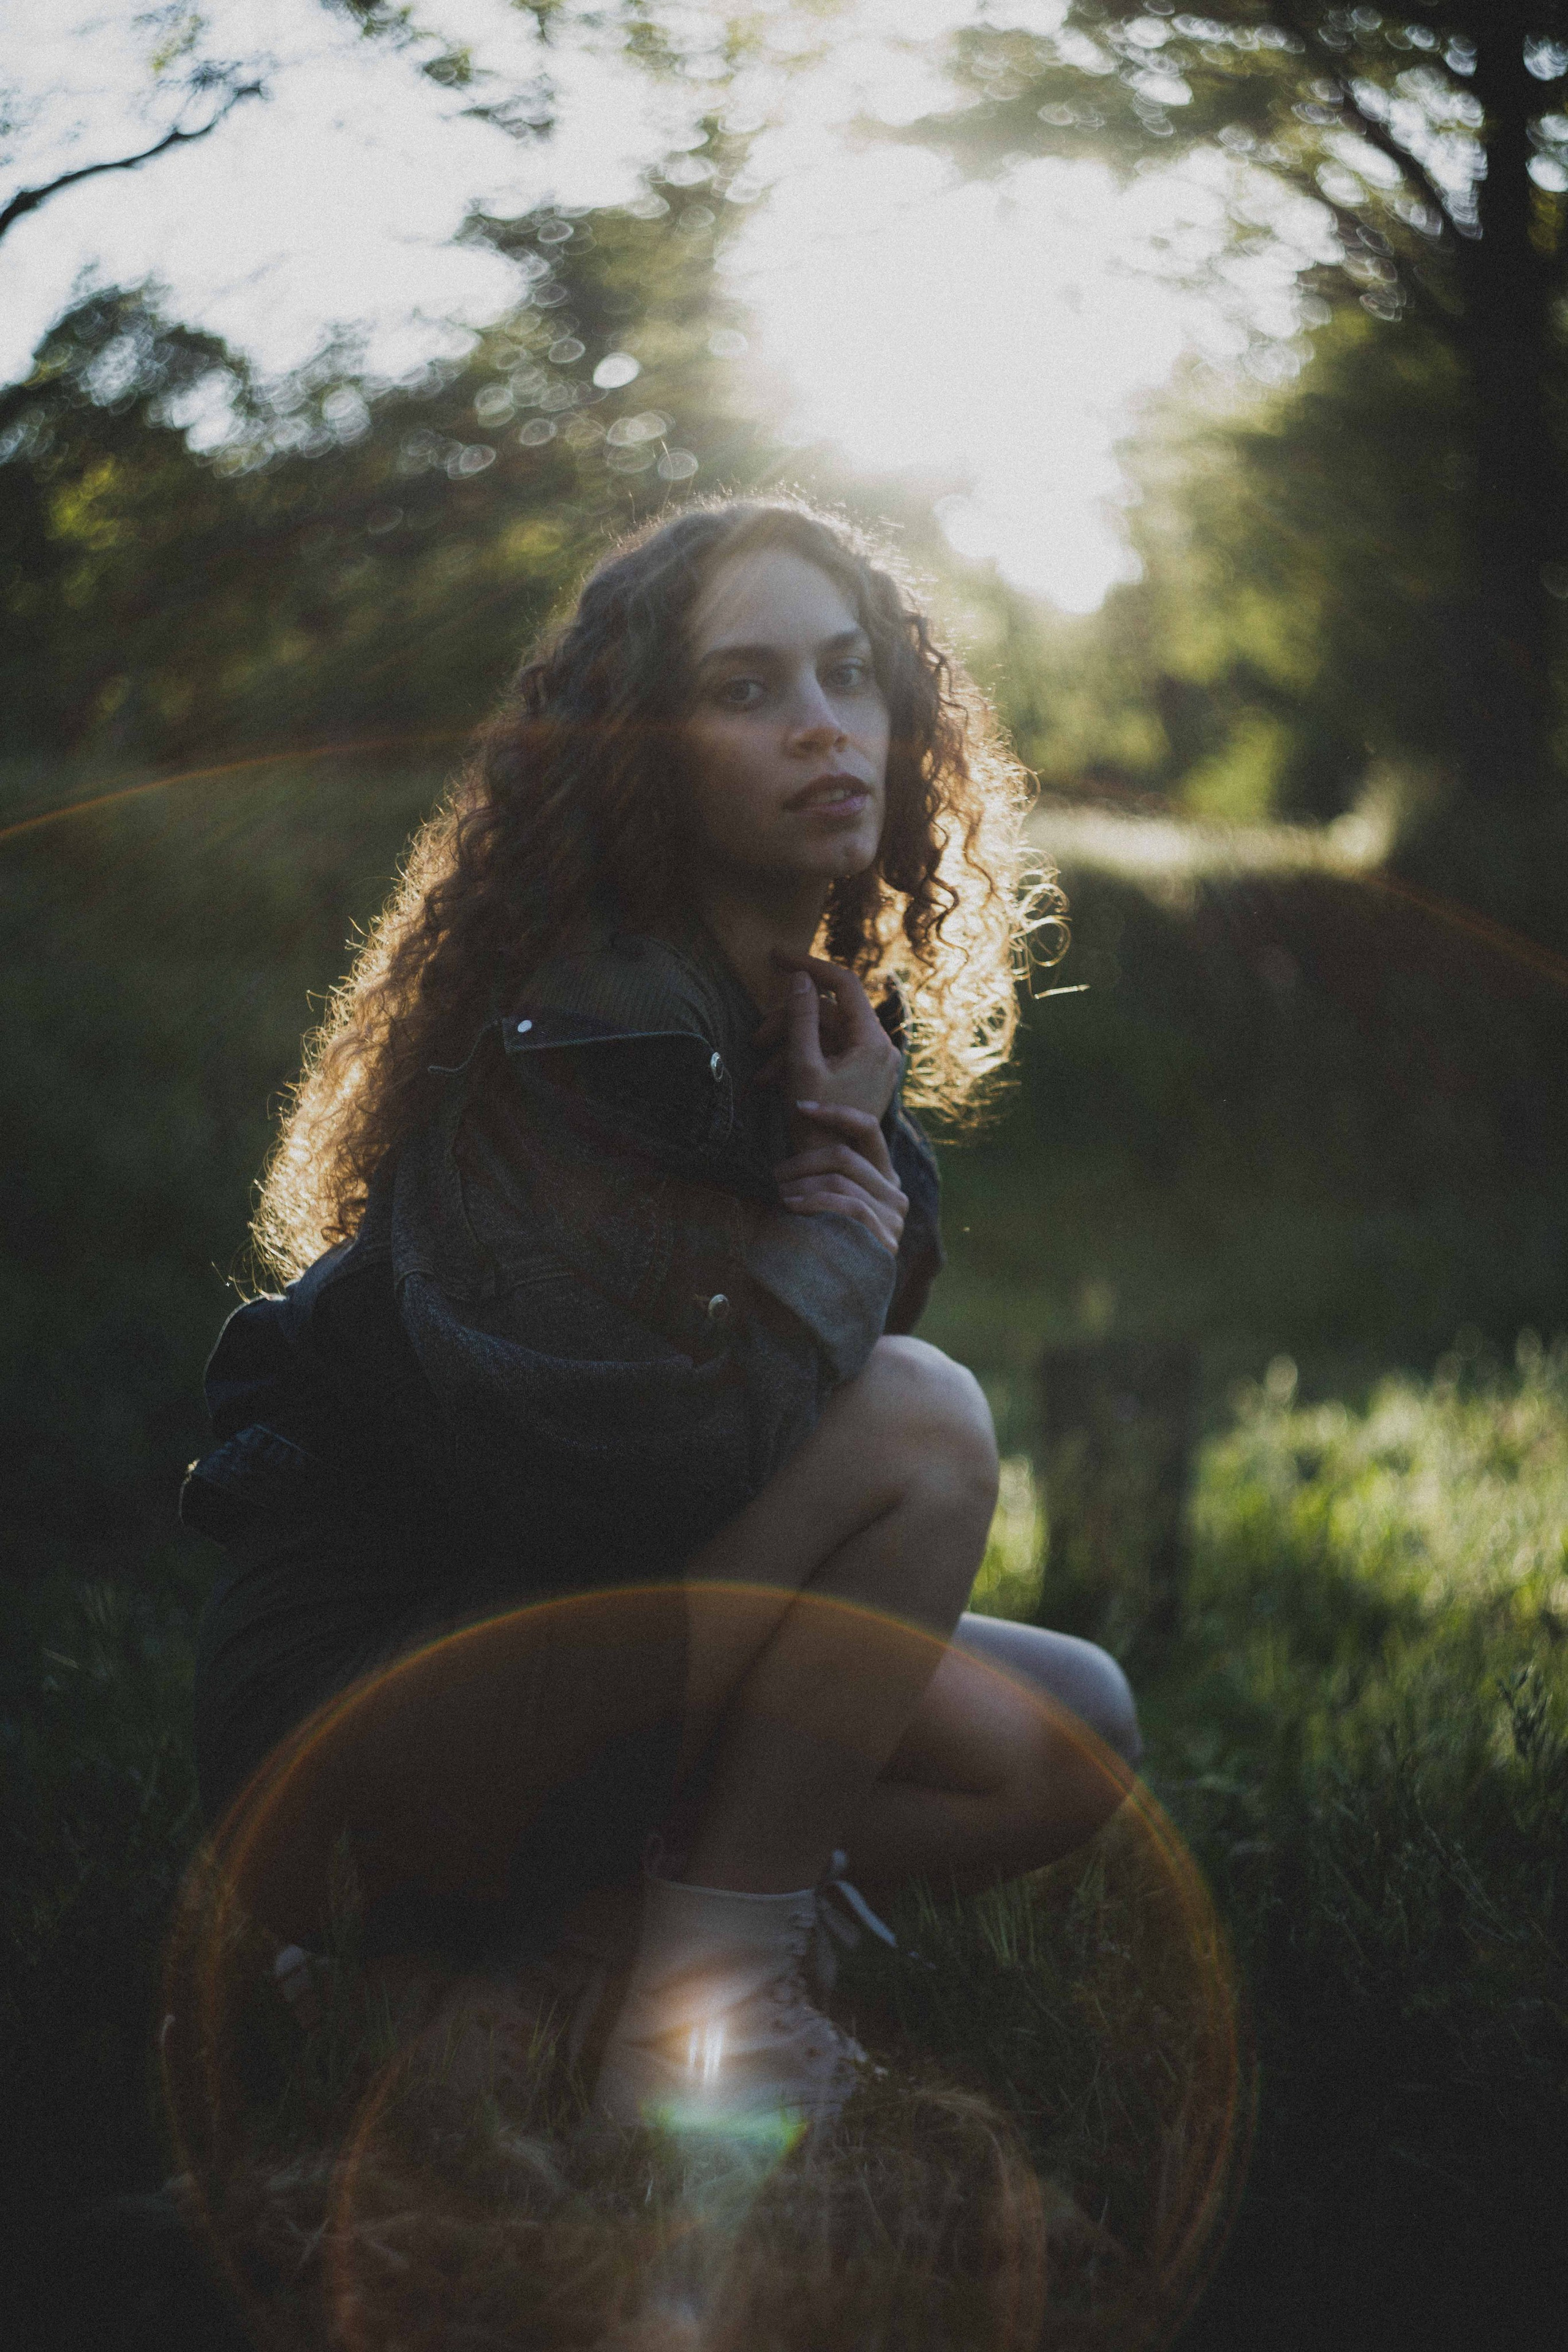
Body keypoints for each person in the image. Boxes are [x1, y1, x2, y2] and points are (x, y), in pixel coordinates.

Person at [183, 498, 1141, 2136]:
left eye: (850, 675)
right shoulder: (594, 1026)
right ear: (643, 749)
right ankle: (704, 2017)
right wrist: (848, 1183)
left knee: (1072, 1732)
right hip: (362, 1728)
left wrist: (840, 1139)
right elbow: (643, 1468)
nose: (824, 724)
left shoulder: (784, 1019)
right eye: (748, 688)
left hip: (558, 1663)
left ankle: (553, 1954)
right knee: (922, 1424)